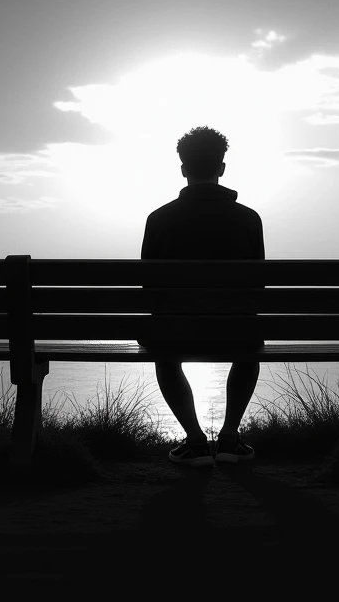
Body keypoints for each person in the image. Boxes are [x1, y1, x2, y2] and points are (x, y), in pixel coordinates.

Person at [138, 125, 265, 467]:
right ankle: (228, 439)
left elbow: (149, 287)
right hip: (236, 330)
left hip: (175, 331)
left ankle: (195, 441)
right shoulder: (248, 220)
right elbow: (257, 288)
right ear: (221, 168)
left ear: (183, 169)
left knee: (164, 353)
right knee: (249, 347)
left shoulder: (159, 219)